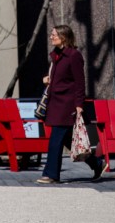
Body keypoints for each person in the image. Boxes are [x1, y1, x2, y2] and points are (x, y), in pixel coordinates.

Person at [37, 24, 105, 184]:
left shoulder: (74, 56)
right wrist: (48, 80)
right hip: (55, 104)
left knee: (55, 140)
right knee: (69, 140)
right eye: (51, 34)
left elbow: (80, 83)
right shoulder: (55, 55)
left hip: (67, 106)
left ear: (63, 37)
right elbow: (61, 79)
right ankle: (96, 163)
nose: (51, 37)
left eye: (54, 35)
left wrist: (79, 105)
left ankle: (51, 174)